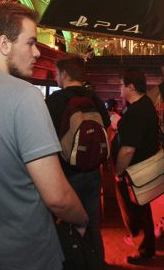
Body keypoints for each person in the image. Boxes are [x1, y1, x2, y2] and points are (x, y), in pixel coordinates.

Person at [0, 2, 88, 270]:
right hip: (26, 255)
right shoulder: (25, 96)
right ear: (4, 44)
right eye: (30, 43)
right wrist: (81, 220)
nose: (37, 52)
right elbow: (57, 197)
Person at [45, 54, 109, 266]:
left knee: (65, 225)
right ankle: (96, 263)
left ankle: (72, 263)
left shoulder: (55, 101)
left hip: (65, 175)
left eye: (56, 73)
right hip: (93, 173)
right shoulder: (95, 99)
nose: (56, 77)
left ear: (64, 74)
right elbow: (106, 129)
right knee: (93, 225)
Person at [111, 68, 159, 265]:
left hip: (134, 173)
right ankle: (143, 242)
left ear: (131, 87)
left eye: (121, 85)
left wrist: (118, 172)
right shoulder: (142, 105)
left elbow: (128, 150)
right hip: (139, 171)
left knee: (136, 211)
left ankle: (144, 250)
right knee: (141, 210)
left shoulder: (137, 111)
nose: (119, 89)